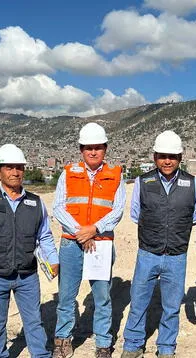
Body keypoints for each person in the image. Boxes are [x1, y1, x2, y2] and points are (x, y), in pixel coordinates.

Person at [0, 143, 59, 358]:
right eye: (9, 167)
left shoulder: (36, 202)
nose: (15, 172)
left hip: (27, 276)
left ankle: (40, 355)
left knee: (34, 321)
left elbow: (44, 236)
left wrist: (53, 259)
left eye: (19, 167)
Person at [121, 131, 196, 358]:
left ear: (180, 158)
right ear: (155, 156)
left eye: (173, 156)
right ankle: (133, 345)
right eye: (163, 156)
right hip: (148, 252)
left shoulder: (193, 184)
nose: (168, 161)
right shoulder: (142, 182)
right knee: (138, 301)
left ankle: (166, 348)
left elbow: (195, 216)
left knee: (171, 306)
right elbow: (137, 214)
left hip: (177, 255)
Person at [52, 122, 126, 358]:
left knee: (102, 297)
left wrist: (93, 229)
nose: (93, 152)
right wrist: (79, 232)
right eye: (88, 147)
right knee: (66, 296)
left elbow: (117, 210)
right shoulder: (68, 173)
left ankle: (103, 344)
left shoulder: (115, 175)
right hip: (71, 243)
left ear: (105, 148)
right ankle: (63, 340)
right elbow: (58, 207)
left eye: (98, 147)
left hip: (101, 244)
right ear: (81, 149)